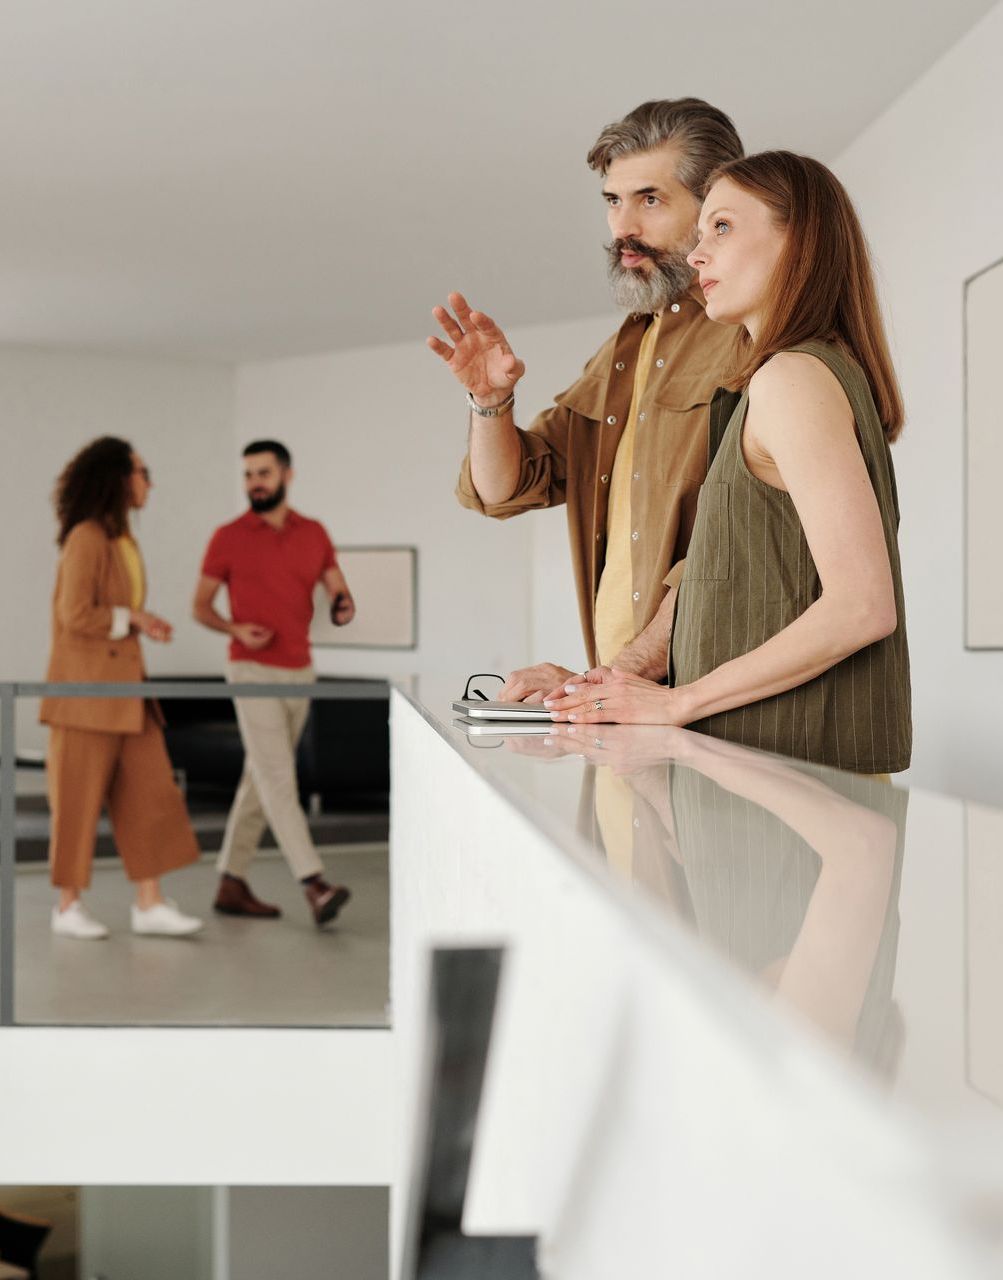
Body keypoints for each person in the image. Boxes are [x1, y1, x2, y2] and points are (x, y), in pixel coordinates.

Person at [546, 152, 912, 777]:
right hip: (777, 781)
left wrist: (679, 703)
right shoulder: (789, 380)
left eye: (722, 227)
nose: (696, 254)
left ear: (798, 243)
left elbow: (862, 606)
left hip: (792, 785)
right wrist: (609, 682)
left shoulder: (792, 379)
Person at [428, 98, 744, 700]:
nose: (623, 226)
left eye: (650, 199)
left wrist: (611, 679)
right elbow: (505, 489)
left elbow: (742, 540)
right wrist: (491, 402)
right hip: (627, 701)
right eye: (612, 200)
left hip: (728, 710)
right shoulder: (627, 348)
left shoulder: (754, 333)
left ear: (715, 208)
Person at [40, 437, 204, 940]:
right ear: (118, 478)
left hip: (128, 694)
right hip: (87, 698)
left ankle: (149, 902)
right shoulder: (86, 537)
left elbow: (105, 613)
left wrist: (140, 622)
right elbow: (74, 614)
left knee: (151, 794)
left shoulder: (119, 539)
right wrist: (131, 618)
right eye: (142, 472)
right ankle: (68, 906)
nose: (148, 482)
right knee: (76, 803)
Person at [192, 439, 356, 926]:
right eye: (247, 475)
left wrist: (343, 605)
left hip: (299, 670)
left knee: (260, 777)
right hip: (250, 669)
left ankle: (230, 881)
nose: (253, 483)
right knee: (279, 777)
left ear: (286, 474)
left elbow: (337, 590)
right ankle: (314, 883)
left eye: (262, 473)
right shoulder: (227, 537)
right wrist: (234, 628)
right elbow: (199, 607)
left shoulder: (314, 533)